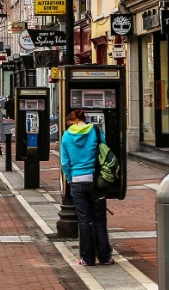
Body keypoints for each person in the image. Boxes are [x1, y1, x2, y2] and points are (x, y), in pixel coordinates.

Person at [60, 109, 114, 267]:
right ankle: (104, 257)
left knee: (84, 220)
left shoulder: (67, 136)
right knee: (99, 219)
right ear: (84, 119)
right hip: (95, 180)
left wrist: (71, 179)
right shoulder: (96, 131)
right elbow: (105, 153)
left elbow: (65, 163)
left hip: (77, 180)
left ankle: (87, 258)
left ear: (72, 121)